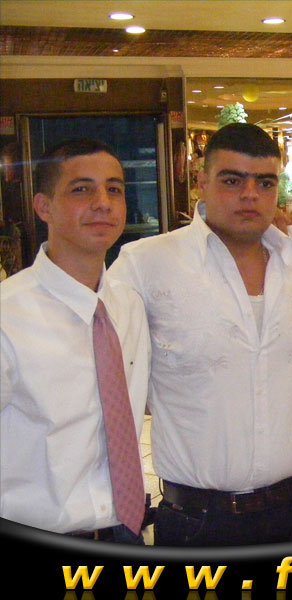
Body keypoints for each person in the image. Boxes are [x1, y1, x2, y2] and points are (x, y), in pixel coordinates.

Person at [108, 123, 292, 546]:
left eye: (265, 183)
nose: (250, 195)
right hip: (197, 520)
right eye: (232, 181)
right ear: (201, 182)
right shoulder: (146, 263)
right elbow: (107, 378)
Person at [1, 138, 150, 543]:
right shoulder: (8, 316)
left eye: (114, 189)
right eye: (82, 189)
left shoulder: (127, 306)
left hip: (126, 531)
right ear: (44, 207)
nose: (103, 203)